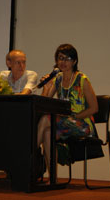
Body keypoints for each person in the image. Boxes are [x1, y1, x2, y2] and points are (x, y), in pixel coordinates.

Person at [37, 43, 98, 178]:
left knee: (45, 120)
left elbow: (94, 108)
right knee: (47, 133)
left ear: (74, 61)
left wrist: (75, 117)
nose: (63, 62)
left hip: (82, 123)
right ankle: (53, 179)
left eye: (67, 58)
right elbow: (43, 104)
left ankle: (28, 157)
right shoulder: (57, 79)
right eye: (60, 58)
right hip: (63, 122)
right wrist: (46, 88)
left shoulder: (82, 79)